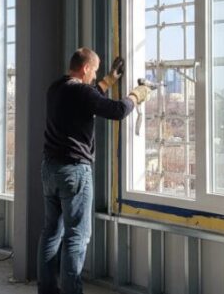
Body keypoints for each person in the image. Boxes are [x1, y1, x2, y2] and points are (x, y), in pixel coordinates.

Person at [37, 48, 152, 294]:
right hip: (74, 172)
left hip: (50, 169)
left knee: (51, 232)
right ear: (86, 68)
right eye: (95, 71)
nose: (95, 75)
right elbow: (117, 111)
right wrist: (136, 95)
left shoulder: (57, 87)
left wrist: (109, 80)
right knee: (76, 237)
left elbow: (88, 96)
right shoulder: (80, 91)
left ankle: (47, 290)